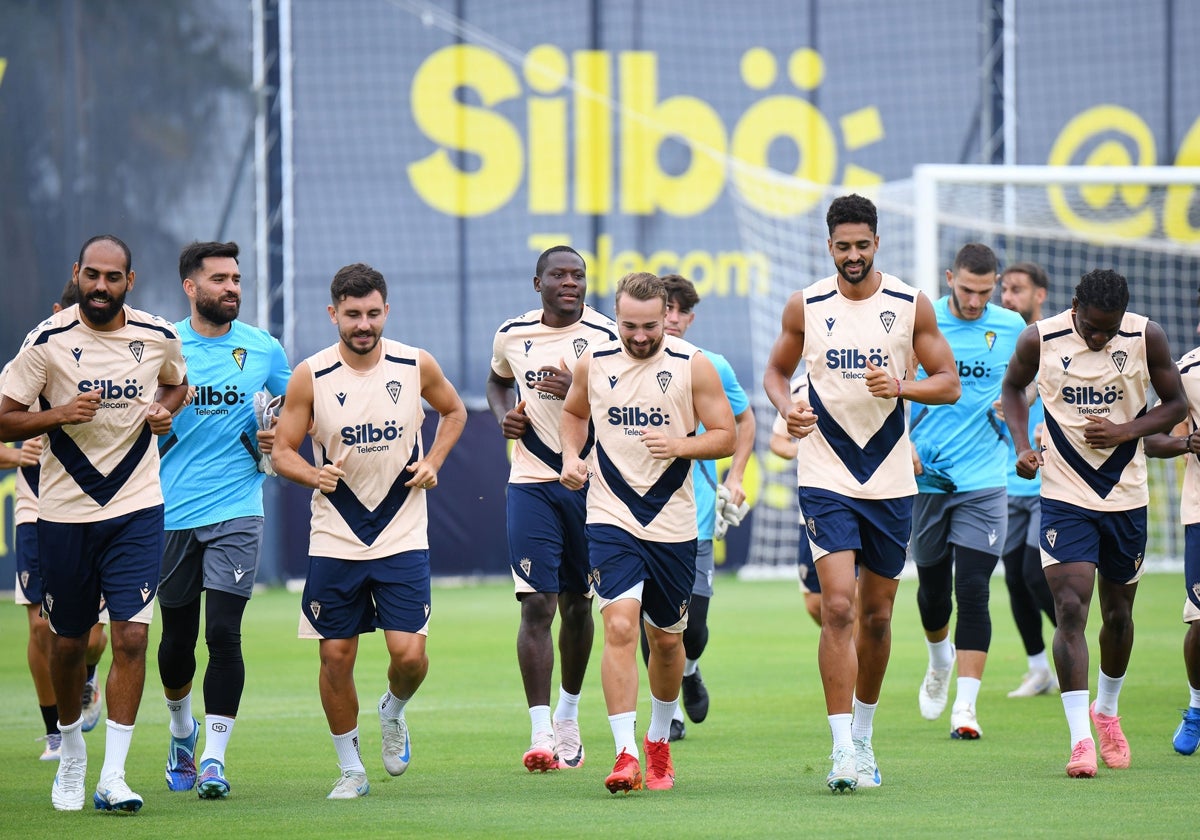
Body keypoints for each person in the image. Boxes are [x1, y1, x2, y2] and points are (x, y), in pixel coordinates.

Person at [762, 193, 960, 793]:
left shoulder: (908, 303)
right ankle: (842, 749)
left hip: (891, 478)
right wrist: (787, 407)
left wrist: (901, 385)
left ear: (877, 244)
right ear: (829, 247)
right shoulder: (807, 304)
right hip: (825, 475)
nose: (853, 255)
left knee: (877, 616)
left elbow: (948, 383)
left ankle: (867, 737)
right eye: (843, 246)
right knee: (839, 607)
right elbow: (775, 372)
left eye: (862, 245)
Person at [0, 234, 189, 813]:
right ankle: (72, 753)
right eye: (92, 276)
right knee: (68, 645)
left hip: (136, 505)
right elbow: (5, 419)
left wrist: (164, 409)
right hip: (62, 513)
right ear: (77, 274)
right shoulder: (47, 341)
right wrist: (58, 414)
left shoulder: (157, 335)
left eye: (113, 277)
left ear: (130, 281)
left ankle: (112, 775)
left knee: (132, 635)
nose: (101, 286)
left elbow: (177, 383)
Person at [271, 263, 466, 800]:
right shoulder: (311, 375)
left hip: (403, 533)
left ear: (386, 312)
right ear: (333, 313)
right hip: (336, 535)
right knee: (335, 656)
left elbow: (453, 413)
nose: (363, 324)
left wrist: (435, 462)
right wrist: (313, 474)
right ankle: (351, 769)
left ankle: (393, 710)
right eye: (352, 314)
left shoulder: (414, 362)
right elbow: (283, 449)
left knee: (409, 656)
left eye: (372, 313)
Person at [1001, 268, 1186, 778]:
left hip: (1125, 496)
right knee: (1069, 606)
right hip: (1064, 494)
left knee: (1119, 617)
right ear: (1075, 303)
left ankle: (1106, 711)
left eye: (1109, 328)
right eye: (1092, 326)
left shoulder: (1145, 335)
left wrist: (1126, 429)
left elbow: (1176, 405)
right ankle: (1081, 740)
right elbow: (1013, 391)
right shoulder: (1041, 338)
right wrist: (1022, 447)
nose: (1101, 337)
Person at [559, 272, 735, 794]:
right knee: (618, 627)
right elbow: (573, 414)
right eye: (628, 326)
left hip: (674, 523)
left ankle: (659, 740)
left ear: (667, 317)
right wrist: (572, 455)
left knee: (666, 638)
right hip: (610, 516)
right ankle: (626, 753)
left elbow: (725, 434)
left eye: (650, 326)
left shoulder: (692, 366)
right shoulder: (595, 362)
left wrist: (681, 445)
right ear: (616, 318)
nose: (639, 336)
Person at [156, 241, 292, 799]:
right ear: (191, 287)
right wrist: (155, 421)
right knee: (178, 638)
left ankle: (213, 758)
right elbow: (137, 418)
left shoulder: (262, 348)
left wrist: (277, 435)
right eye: (219, 279)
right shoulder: (160, 346)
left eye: (236, 278)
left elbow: (295, 414)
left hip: (238, 507)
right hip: (168, 511)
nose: (232, 287)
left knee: (223, 634)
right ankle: (181, 730)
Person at [486, 245, 617, 772]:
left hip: (589, 483)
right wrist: (504, 417)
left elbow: (623, 406)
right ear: (536, 281)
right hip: (531, 483)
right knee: (536, 604)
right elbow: (497, 381)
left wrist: (579, 393)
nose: (571, 282)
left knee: (578, 606)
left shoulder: (607, 336)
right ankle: (540, 732)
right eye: (559, 275)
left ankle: (568, 714)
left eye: (579, 276)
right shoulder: (512, 334)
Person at [909, 243, 1025, 740]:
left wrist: (1016, 408)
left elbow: (1030, 384)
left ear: (995, 283)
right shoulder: (920, 319)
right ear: (950, 277)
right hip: (927, 478)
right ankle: (939, 660)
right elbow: (890, 390)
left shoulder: (1014, 328)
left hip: (984, 480)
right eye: (966, 290)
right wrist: (902, 448)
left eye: (985, 291)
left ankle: (966, 709)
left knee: (974, 591)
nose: (975, 301)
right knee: (934, 595)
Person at [636, 272, 756, 742]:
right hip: (639, 514)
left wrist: (738, 474)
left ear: (689, 317)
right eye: (666, 309)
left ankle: (690, 671)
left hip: (697, 513)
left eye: (680, 311)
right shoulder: (624, 365)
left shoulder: (711, 366)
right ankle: (667, 716)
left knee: (695, 628)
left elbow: (743, 421)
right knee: (651, 622)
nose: (672, 319)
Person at [2, 281, 111, 761]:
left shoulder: (115, 361)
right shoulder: (34, 358)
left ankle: (85, 682)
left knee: (93, 637)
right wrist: (12, 451)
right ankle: (54, 733)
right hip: (37, 508)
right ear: (57, 312)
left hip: (97, 509)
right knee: (41, 628)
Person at [997, 262, 1059, 698]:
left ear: (1040, 294)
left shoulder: (1057, 343)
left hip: (1049, 482)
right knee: (1014, 577)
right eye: (1004, 289)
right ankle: (1038, 668)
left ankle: (1074, 648)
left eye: (1017, 289)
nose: (1007, 297)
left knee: (1036, 574)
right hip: (1005, 478)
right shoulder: (1000, 339)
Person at [1142, 291, 1200, 755]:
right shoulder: (1187, 373)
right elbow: (1153, 438)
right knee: (1199, 621)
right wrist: (1188, 444)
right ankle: (1197, 707)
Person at [768, 376, 822, 626]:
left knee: (849, 599)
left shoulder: (861, 374)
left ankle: (854, 662)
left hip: (859, 498)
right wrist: (800, 451)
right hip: (814, 506)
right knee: (815, 603)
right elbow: (778, 440)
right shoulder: (801, 387)